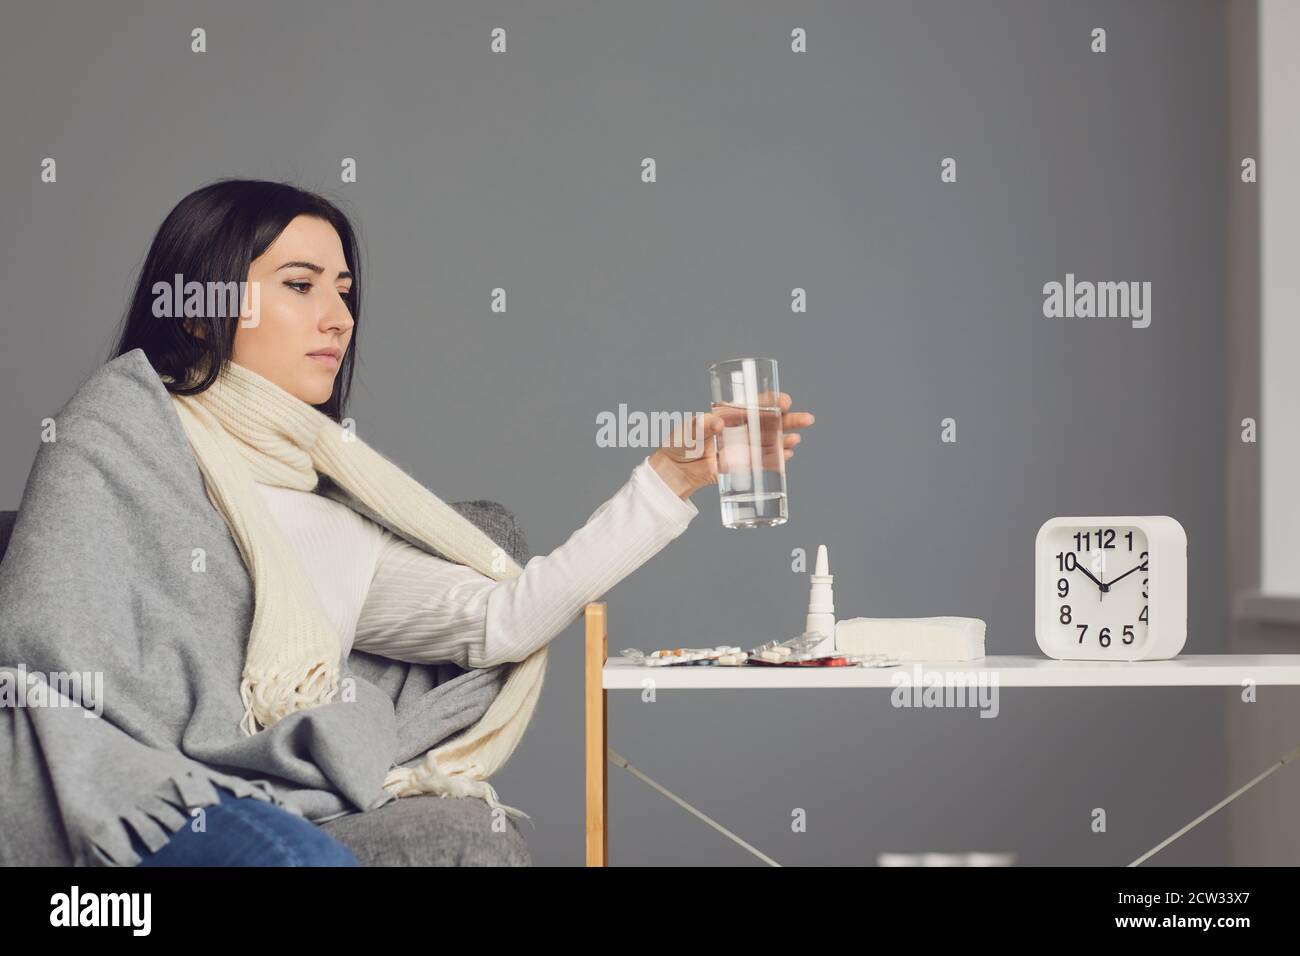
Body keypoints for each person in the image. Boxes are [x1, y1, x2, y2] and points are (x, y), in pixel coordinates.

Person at [100, 178, 815, 865]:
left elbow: (502, 622)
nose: (338, 316)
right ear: (196, 309)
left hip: (249, 805)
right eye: (299, 284)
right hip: (130, 794)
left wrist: (672, 478)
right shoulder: (118, 434)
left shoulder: (336, 527)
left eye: (344, 292)